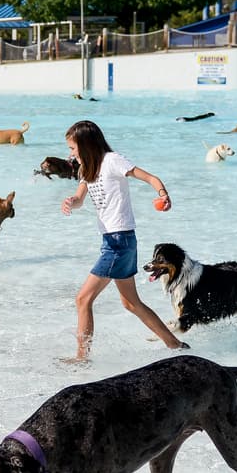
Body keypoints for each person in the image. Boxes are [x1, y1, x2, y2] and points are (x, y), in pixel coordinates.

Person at [59, 120, 188, 362]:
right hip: (116, 241)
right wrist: (70, 203)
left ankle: (82, 358)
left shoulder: (112, 161)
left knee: (83, 299)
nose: (71, 154)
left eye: (73, 148)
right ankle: (175, 344)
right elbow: (79, 198)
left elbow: (150, 177)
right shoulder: (87, 169)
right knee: (131, 303)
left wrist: (163, 194)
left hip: (119, 242)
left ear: (86, 145)